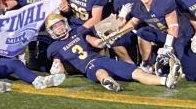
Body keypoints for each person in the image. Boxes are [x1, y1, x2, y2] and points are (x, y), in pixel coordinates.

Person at [46, 12, 180, 92]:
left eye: (60, 24)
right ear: (51, 31)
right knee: (99, 73)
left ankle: (165, 81)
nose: (59, 28)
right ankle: (108, 82)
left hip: (99, 59)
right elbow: (58, 65)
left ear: (65, 23)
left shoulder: (78, 32)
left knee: (136, 72)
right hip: (88, 67)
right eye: (55, 27)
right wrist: (56, 68)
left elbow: (97, 43)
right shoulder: (53, 48)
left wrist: (109, 37)